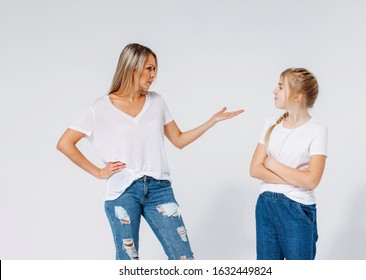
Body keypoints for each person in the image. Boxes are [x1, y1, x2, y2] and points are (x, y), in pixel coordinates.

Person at [57, 43, 244, 260]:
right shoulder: (101, 107)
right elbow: (65, 143)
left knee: (183, 258)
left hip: (159, 189)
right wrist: (99, 172)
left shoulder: (157, 101)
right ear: (132, 68)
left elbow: (179, 140)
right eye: (149, 68)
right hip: (123, 192)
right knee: (129, 262)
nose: (153, 75)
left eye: (155, 69)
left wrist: (211, 122)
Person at [250, 68, 327, 260]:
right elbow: (254, 169)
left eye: (280, 87)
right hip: (265, 205)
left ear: (298, 96)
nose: (274, 91)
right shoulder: (271, 123)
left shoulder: (317, 130)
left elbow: (311, 181)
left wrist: (272, 164)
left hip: (297, 208)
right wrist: (295, 178)